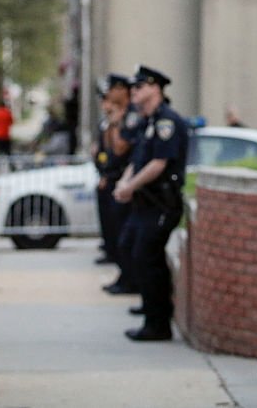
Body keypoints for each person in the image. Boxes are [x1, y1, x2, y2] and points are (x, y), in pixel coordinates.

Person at [113, 65, 189, 341]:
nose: (134, 92)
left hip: (161, 203)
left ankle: (158, 323)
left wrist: (130, 186)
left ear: (155, 88)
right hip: (145, 203)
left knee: (148, 258)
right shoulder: (150, 121)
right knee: (133, 250)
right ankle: (150, 311)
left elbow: (159, 163)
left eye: (139, 87)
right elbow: (138, 161)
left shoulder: (167, 121)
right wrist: (125, 182)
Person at [91, 74, 134, 273]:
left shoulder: (131, 116)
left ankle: (126, 275)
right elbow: (107, 150)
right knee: (114, 228)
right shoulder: (114, 117)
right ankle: (120, 270)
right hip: (113, 177)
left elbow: (119, 149)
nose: (108, 96)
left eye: (112, 90)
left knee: (125, 237)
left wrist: (115, 123)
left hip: (125, 181)